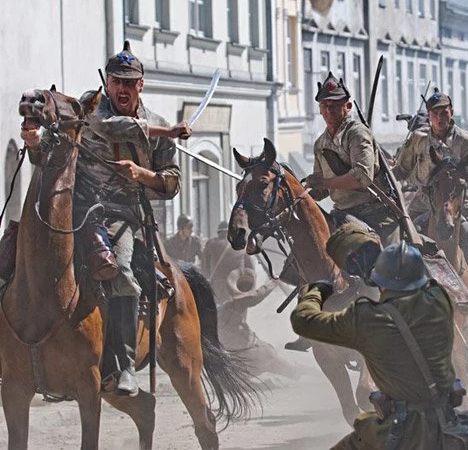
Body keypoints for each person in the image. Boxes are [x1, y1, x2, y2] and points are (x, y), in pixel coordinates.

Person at [21, 41, 191, 396]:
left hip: (118, 215)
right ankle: (13, 354)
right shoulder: (91, 113)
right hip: (71, 206)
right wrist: (35, 140)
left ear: (140, 85)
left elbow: (172, 182)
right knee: (15, 255)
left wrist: (141, 175)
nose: (122, 88)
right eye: (116, 81)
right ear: (108, 82)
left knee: (123, 269)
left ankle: (124, 365)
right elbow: (115, 128)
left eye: (129, 82)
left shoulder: (157, 124)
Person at [291, 230, 468, 449]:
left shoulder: (367, 318)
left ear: (378, 279)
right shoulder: (439, 300)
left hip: (405, 429)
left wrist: (315, 291)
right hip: (451, 421)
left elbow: (303, 321)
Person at [393, 89, 468, 328]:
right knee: (400, 244)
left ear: (451, 113)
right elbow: (401, 170)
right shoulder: (418, 140)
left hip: (460, 205)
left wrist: (467, 184)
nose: (440, 117)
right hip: (424, 204)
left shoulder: (466, 140)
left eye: (444, 112)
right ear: (429, 115)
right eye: (435, 113)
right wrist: (385, 177)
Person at [304, 71, 399, 246]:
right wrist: (304, 189)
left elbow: (362, 176)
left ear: (347, 107)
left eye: (335, 105)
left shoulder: (357, 133)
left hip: (376, 215)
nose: (329, 109)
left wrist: (325, 183)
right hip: (342, 215)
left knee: (390, 266)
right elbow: (323, 190)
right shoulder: (320, 144)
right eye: (325, 105)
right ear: (319, 109)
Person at [218, 268, 299, 379]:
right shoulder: (239, 304)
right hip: (251, 352)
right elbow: (257, 296)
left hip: (235, 353)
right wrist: (274, 281)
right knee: (289, 369)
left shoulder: (223, 308)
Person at [202, 221, 255, 301]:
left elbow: (205, 268)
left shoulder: (211, 244)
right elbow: (250, 267)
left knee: (221, 310)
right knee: (238, 309)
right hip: (237, 285)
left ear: (219, 232)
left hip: (218, 287)